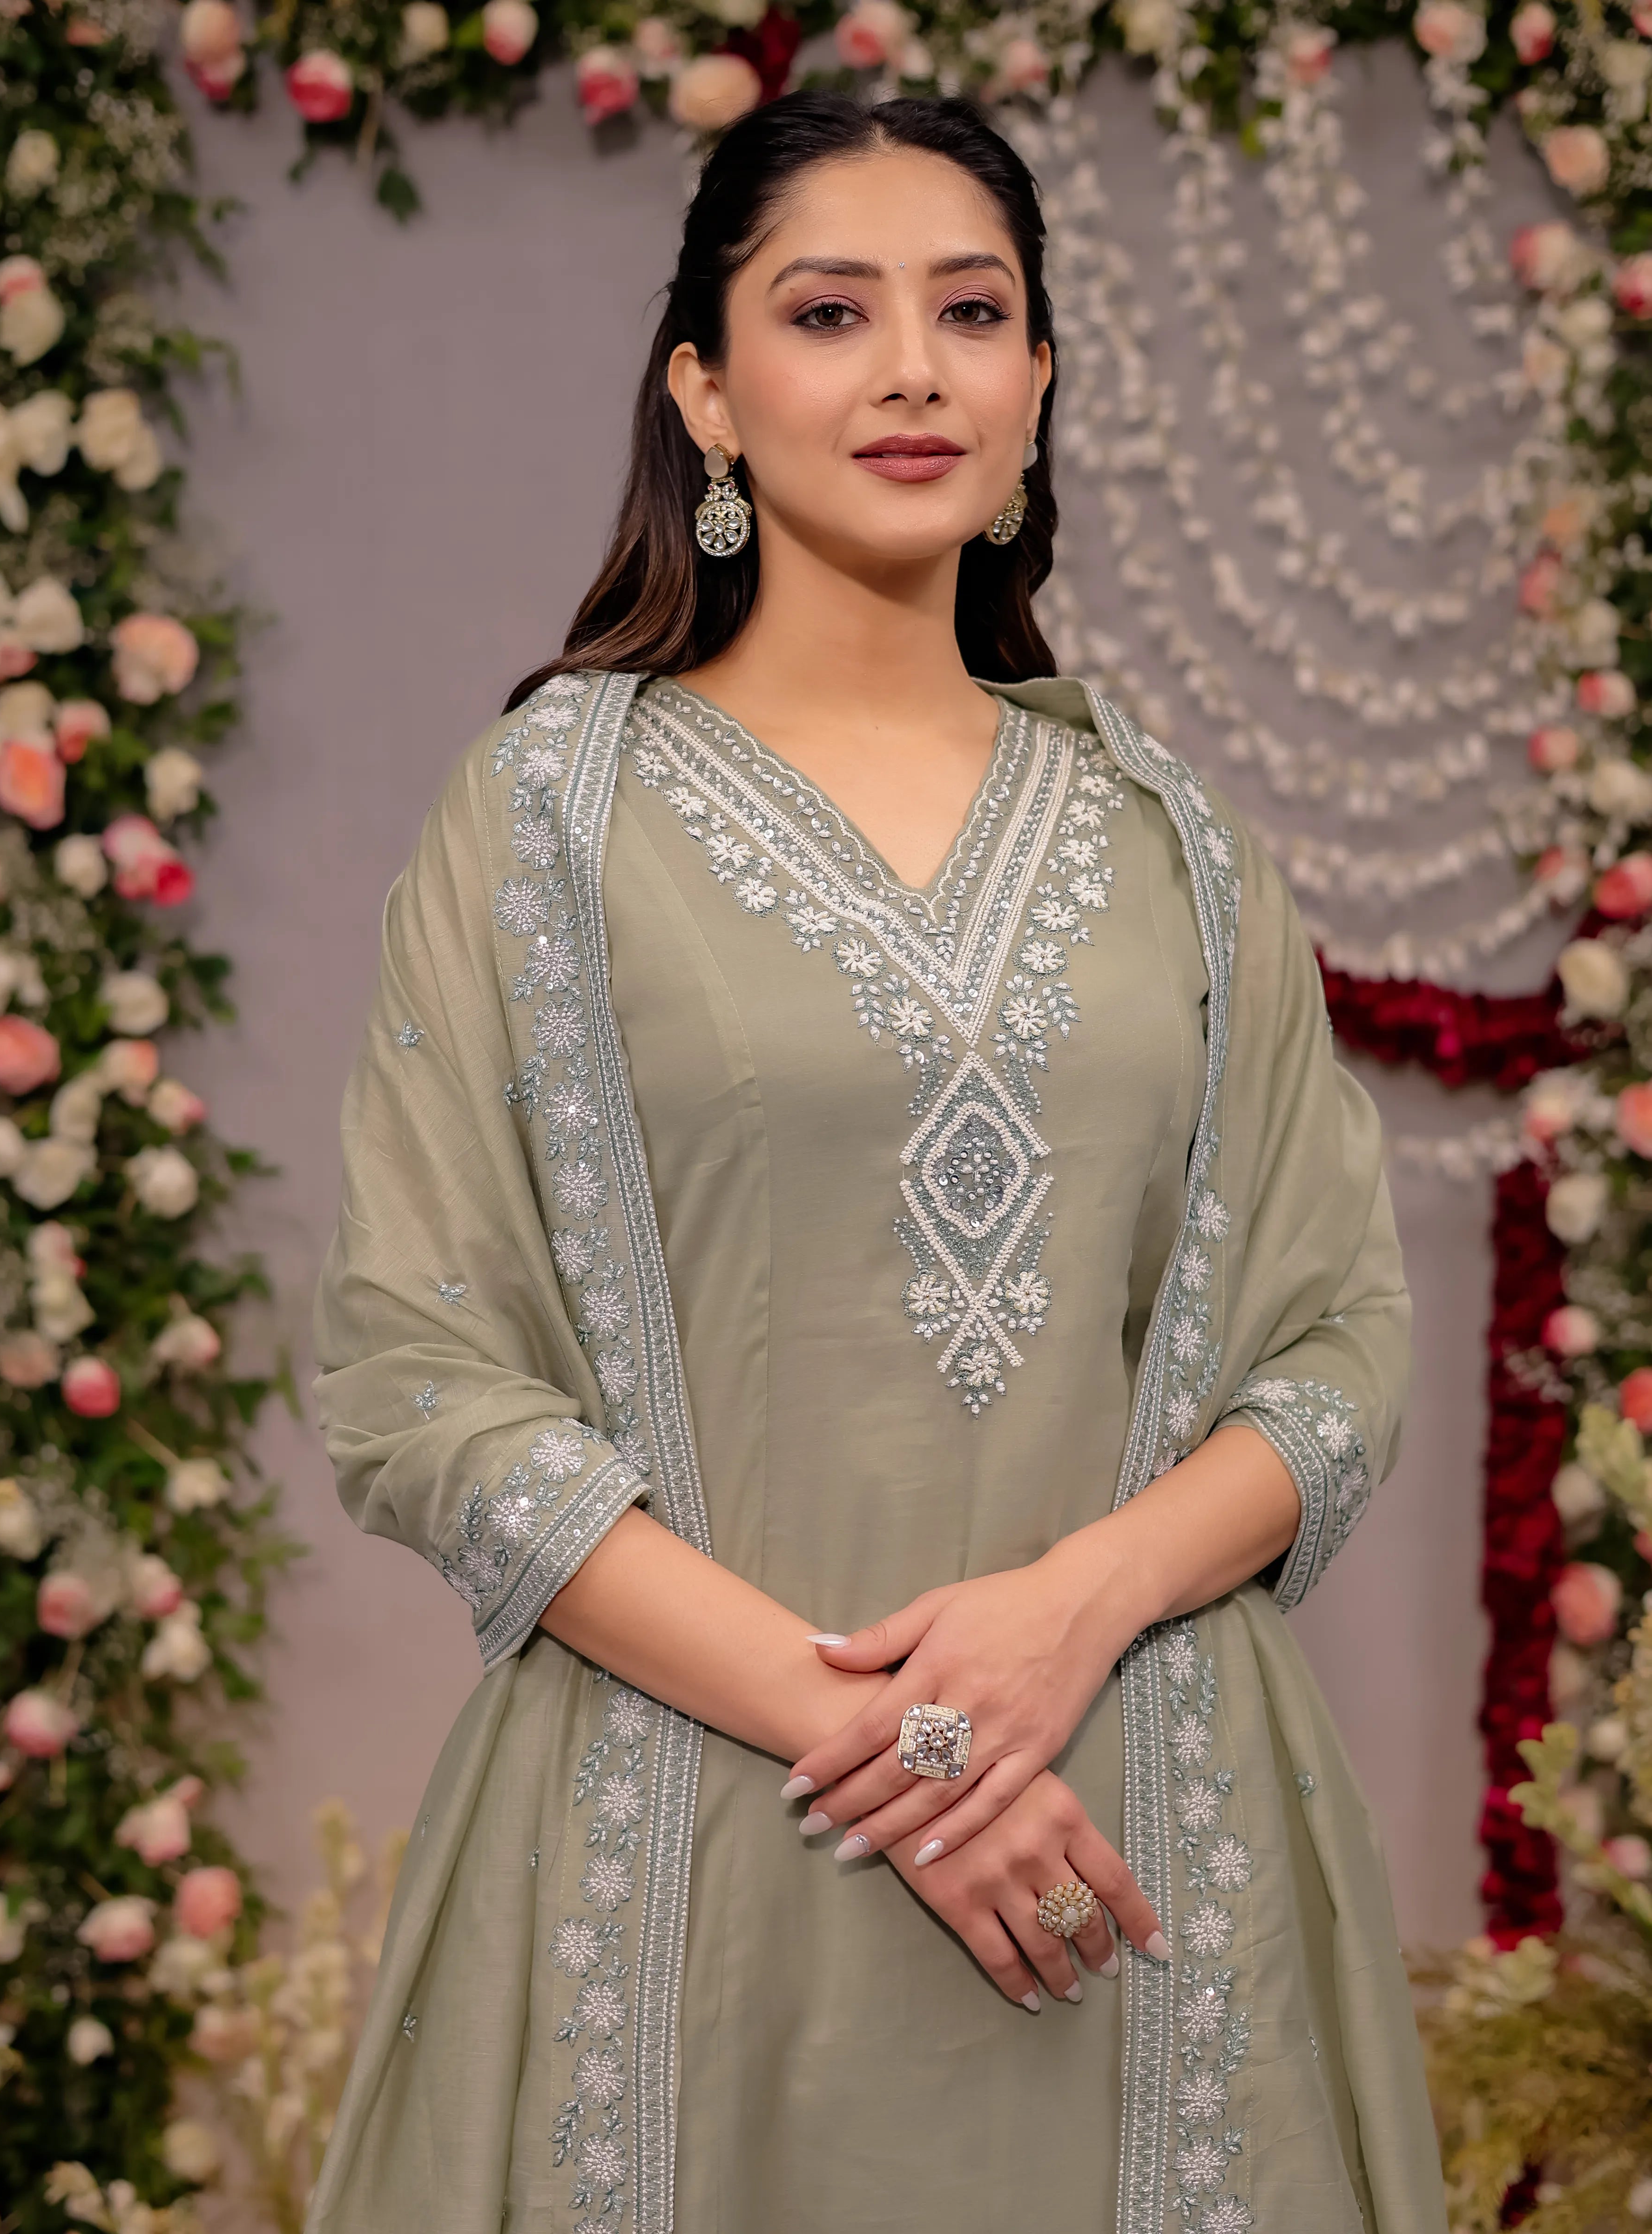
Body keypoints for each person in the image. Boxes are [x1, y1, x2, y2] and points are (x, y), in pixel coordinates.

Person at [306, 89, 1443, 2234]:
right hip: (691, 1843)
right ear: (705, 396)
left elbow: (1333, 1353)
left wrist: (1051, 1627)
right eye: (828, 312)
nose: (911, 366)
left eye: (972, 311)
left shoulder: (1176, 852)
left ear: (1036, 388)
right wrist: (910, 1767)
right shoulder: (547, 820)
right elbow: (420, 1380)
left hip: (1137, 1852)